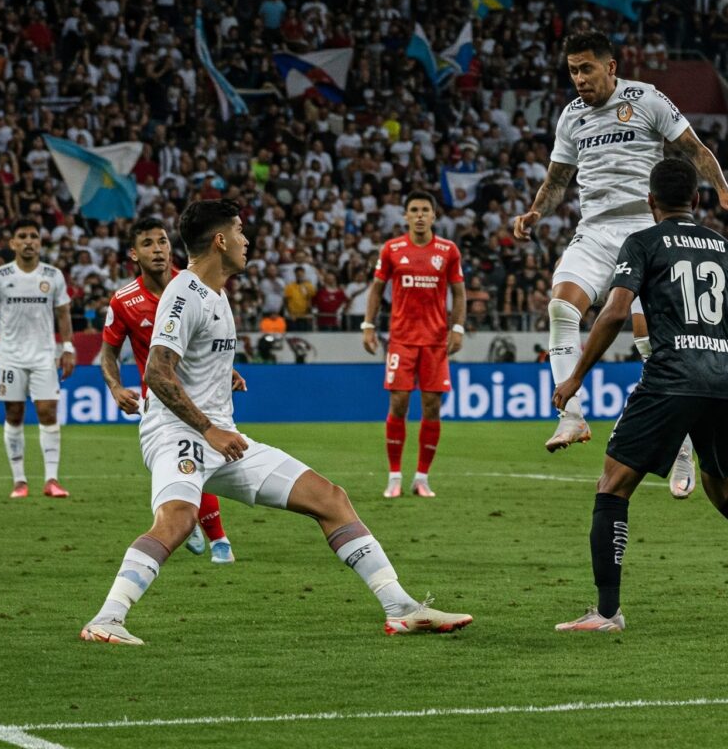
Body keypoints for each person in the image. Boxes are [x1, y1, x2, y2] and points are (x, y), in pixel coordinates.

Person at [80, 199, 471, 644]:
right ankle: (107, 618)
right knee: (178, 519)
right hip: (177, 433)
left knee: (329, 498)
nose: (248, 241)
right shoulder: (184, 292)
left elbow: (189, 357)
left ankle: (400, 607)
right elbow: (155, 372)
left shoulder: (215, 292)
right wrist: (208, 428)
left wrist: (222, 374)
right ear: (221, 240)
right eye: (241, 231)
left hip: (222, 437)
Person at [551, 158, 728, 632]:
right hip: (722, 378)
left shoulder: (644, 241)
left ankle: (608, 612)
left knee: (612, 487)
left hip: (672, 375)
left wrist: (575, 376)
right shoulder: (726, 248)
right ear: (697, 200)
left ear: (650, 202)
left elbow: (615, 314)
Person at [513, 29, 728, 505]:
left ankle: (681, 442)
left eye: (587, 69)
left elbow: (694, 148)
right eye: (573, 71)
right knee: (561, 308)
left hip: (647, 229)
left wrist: (722, 188)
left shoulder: (644, 99)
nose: (579, 79)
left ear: (610, 67)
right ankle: (572, 415)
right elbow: (558, 179)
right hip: (594, 230)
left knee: (647, 335)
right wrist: (537, 210)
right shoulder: (571, 117)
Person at [99, 216, 236, 563]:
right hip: (161, 400)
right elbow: (108, 354)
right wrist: (115, 387)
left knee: (198, 458)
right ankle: (201, 529)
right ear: (134, 253)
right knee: (183, 461)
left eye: (162, 241)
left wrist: (227, 368)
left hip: (202, 395)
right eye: (148, 244)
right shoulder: (123, 301)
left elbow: (209, 337)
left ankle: (217, 539)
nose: (158, 250)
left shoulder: (195, 287)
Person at [364, 191, 466, 498]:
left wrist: (457, 328)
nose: (420, 215)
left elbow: (459, 293)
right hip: (402, 341)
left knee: (432, 406)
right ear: (405, 215)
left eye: (425, 210)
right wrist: (368, 325)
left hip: (435, 341)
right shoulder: (392, 249)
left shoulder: (448, 251)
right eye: (414, 210)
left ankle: (421, 477)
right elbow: (376, 289)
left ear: (434, 216)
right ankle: (394, 476)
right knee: (398, 403)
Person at [0, 217, 75, 499]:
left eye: (34, 236)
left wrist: (68, 348)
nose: (29, 240)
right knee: (14, 414)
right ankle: (19, 481)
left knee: (47, 412)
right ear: (13, 243)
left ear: (40, 243)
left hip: (43, 356)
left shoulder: (53, 276)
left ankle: (51, 479)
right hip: (10, 358)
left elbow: (63, 314)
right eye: (23, 236)